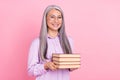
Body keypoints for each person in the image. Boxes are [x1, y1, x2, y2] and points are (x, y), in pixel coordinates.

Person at [28, 5, 77, 80]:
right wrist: (45, 66)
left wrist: (72, 66)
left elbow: (70, 67)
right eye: (52, 17)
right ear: (45, 19)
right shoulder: (37, 42)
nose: (56, 21)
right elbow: (30, 71)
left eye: (59, 17)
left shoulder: (69, 41)